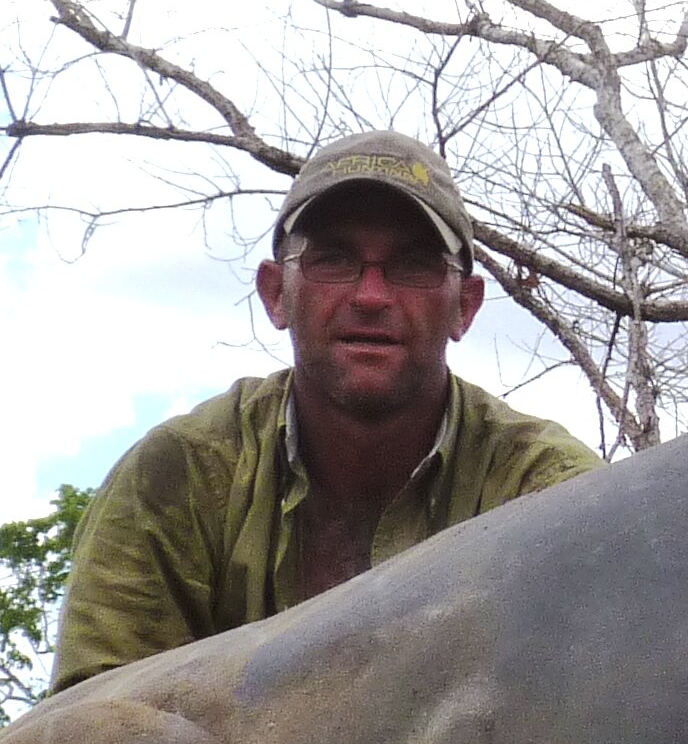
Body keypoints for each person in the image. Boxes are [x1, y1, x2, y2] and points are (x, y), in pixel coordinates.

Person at [53, 132, 603, 691]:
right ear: (275, 294)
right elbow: (94, 738)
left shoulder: (552, 494)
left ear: (465, 306)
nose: (370, 295)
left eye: (413, 265)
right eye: (332, 260)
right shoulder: (177, 476)